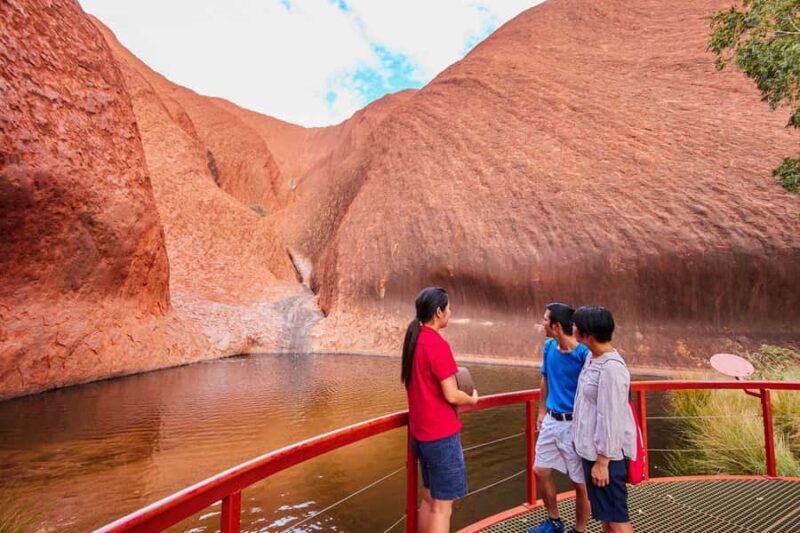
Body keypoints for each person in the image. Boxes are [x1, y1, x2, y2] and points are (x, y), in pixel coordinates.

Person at [402, 287, 479, 533]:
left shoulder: (415, 340)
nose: (450, 313)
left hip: (421, 435)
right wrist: (472, 399)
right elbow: (451, 393)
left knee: (429, 500)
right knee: (443, 508)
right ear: (438, 312)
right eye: (448, 309)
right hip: (441, 437)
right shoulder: (436, 344)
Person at [572, 306, 636, 533]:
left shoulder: (611, 369)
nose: (573, 329)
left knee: (617, 519)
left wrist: (602, 462)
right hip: (593, 451)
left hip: (609, 457)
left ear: (587, 334)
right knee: (607, 516)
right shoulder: (592, 358)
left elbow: (610, 417)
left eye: (576, 326)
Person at [529, 303, 591, 533]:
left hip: (575, 424)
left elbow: (590, 395)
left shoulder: (583, 354)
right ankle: (554, 522)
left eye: (545, 320)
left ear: (556, 326)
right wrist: (541, 411)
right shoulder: (548, 347)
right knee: (540, 470)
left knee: (580, 484)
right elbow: (544, 379)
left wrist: (584, 430)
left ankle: (580, 529)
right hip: (551, 421)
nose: (542, 323)